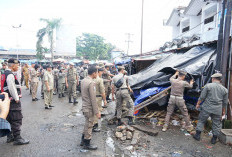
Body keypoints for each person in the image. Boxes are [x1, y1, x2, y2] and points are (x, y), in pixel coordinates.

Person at [193, 73, 228, 144]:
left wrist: (198, 104)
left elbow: (202, 97)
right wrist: (223, 112)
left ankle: (197, 135)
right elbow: (225, 103)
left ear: (213, 79)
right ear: (220, 80)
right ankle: (214, 139)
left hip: (207, 108)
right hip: (217, 110)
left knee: (201, 120)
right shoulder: (225, 90)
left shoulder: (208, 86)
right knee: (216, 124)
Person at [2, 58, 29, 145]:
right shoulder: (10, 75)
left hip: (5, 100)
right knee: (16, 119)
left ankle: (10, 136)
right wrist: (16, 98)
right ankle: (18, 138)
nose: (18, 67)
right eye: (17, 65)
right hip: (12, 101)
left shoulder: (4, 73)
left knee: (9, 118)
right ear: (13, 65)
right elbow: (11, 87)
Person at [80, 66, 100, 150]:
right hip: (89, 107)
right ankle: (87, 143)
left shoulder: (83, 80)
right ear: (94, 73)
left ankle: (83, 140)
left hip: (84, 105)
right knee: (89, 126)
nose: (97, 74)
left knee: (86, 124)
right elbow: (93, 99)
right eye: (97, 72)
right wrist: (97, 111)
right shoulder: (91, 83)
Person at [92, 67, 107, 132]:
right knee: (97, 111)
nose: (102, 73)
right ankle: (94, 126)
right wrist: (105, 100)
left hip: (91, 97)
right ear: (98, 72)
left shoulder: (91, 79)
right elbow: (102, 91)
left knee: (92, 111)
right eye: (102, 72)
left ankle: (91, 124)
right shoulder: (100, 80)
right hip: (97, 98)